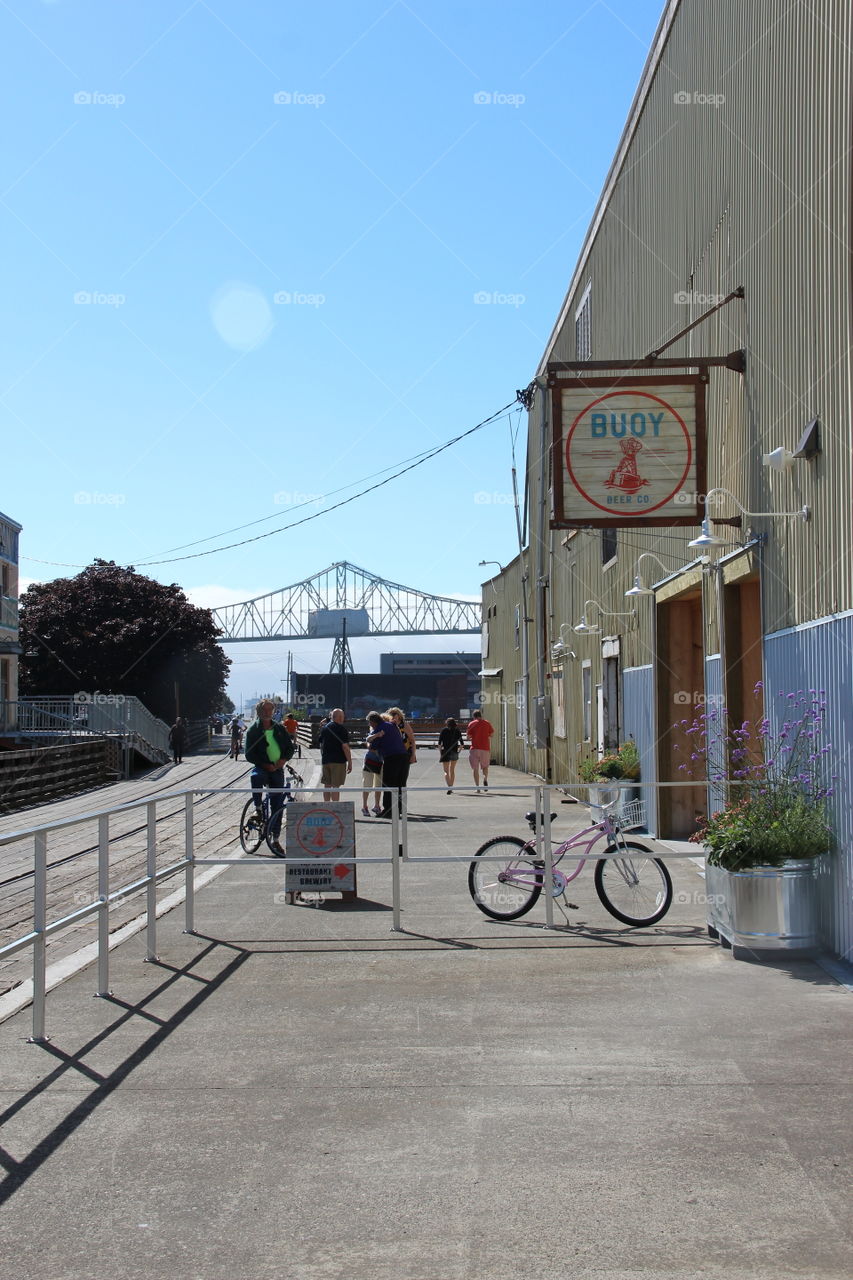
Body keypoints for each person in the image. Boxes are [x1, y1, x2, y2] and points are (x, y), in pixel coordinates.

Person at [244, 698, 296, 855]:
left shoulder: (279, 728)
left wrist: (283, 759)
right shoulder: (253, 730)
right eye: (264, 710)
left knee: (277, 804)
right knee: (256, 777)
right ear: (259, 712)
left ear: (273, 711)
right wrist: (264, 764)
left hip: (278, 768)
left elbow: (289, 747)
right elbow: (249, 753)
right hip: (262, 766)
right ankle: (258, 808)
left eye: (270, 710)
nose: (267, 713)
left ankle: (275, 839)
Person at [366, 710, 408, 818]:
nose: (370, 725)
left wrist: (375, 737)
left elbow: (372, 746)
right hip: (404, 757)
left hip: (392, 758)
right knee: (400, 784)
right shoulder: (391, 725)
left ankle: (389, 810)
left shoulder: (380, 728)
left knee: (389, 784)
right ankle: (399, 809)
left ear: (373, 722)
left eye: (370, 723)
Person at [318, 707, 352, 801]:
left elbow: (320, 741)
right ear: (340, 717)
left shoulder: (325, 728)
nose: (343, 718)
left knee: (327, 785)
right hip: (338, 761)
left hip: (326, 760)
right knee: (335, 786)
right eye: (343, 716)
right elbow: (345, 747)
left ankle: (327, 806)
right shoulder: (342, 729)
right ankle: (335, 809)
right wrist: (350, 762)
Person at [387, 706, 416, 791]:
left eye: (394, 714)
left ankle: (401, 801)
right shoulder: (389, 725)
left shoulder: (404, 725)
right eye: (390, 714)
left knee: (402, 779)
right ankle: (394, 800)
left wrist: (413, 755)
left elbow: (413, 741)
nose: (392, 716)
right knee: (393, 779)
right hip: (392, 754)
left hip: (405, 754)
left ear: (399, 715)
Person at [466, 708, 494, 791]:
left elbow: (468, 737)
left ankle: (477, 788)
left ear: (474, 716)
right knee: (485, 767)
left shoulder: (471, 724)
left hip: (475, 748)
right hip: (485, 748)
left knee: (475, 769)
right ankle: (485, 779)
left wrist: (474, 735)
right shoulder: (487, 723)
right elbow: (492, 734)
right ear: (480, 715)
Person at [437, 716, 464, 793]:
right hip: (454, 752)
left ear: (447, 723)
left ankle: (449, 787)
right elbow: (462, 744)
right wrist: (459, 752)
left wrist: (440, 753)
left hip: (445, 752)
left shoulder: (443, 730)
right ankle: (451, 787)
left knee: (446, 771)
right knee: (452, 770)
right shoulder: (457, 731)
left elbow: (439, 744)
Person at [361, 728, 384, 817]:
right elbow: (368, 742)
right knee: (367, 784)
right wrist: (377, 735)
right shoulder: (374, 731)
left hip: (381, 761)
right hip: (370, 759)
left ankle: (377, 805)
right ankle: (364, 806)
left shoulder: (388, 733)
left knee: (378, 785)